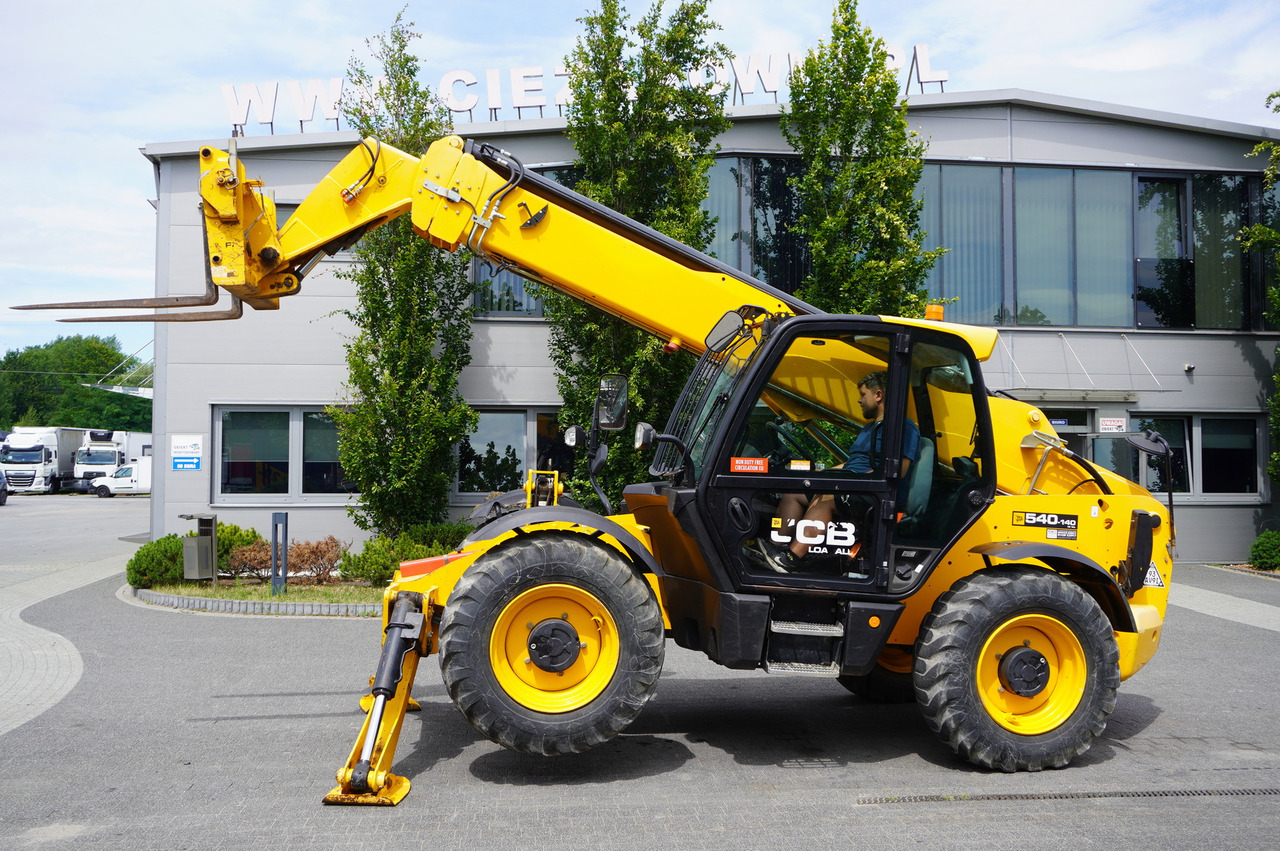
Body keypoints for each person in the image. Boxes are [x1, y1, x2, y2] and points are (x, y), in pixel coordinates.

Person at [766, 371, 920, 570]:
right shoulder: (870, 428)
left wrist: (854, 480)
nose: (859, 400)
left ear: (878, 395)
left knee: (827, 497)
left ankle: (792, 558)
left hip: (874, 493)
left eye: (863, 394)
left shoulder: (902, 428)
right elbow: (851, 464)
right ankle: (776, 549)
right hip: (854, 484)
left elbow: (900, 470)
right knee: (794, 491)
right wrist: (819, 475)